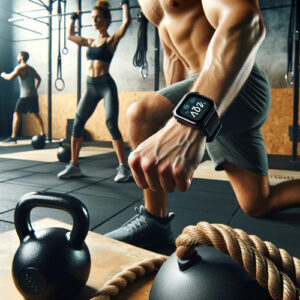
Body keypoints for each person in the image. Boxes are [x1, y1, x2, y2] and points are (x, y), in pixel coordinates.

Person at [105, 0, 300, 254]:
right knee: (257, 202)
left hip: (235, 84)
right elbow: (173, 55)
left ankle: (155, 223)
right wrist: (168, 122)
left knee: (140, 114)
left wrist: (190, 118)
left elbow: (244, 19)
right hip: (204, 93)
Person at [58, 0, 131, 182]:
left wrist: (124, 4)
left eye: (97, 17)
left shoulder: (110, 41)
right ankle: (74, 166)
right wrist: (73, 18)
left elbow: (126, 23)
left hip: (106, 85)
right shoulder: (90, 42)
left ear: (106, 20)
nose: (94, 21)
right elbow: (70, 36)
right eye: (92, 18)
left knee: (111, 124)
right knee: (78, 123)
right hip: (90, 86)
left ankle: (123, 168)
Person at [1, 51, 45, 143]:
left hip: (25, 96)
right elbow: (39, 79)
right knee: (36, 114)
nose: (17, 58)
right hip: (33, 95)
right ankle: (43, 133)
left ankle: (13, 137)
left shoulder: (20, 68)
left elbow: (9, 78)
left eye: (18, 56)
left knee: (16, 114)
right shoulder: (31, 68)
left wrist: (3, 74)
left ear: (21, 57)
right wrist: (35, 89)